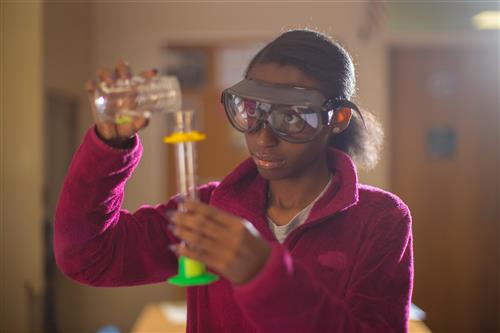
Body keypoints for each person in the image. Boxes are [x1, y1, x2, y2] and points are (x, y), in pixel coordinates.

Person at [55, 29, 413, 332]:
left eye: (291, 116)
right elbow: (88, 257)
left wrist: (265, 276)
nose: (262, 138)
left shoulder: (380, 220)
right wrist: (109, 146)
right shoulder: (210, 211)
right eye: (252, 111)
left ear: (337, 118)